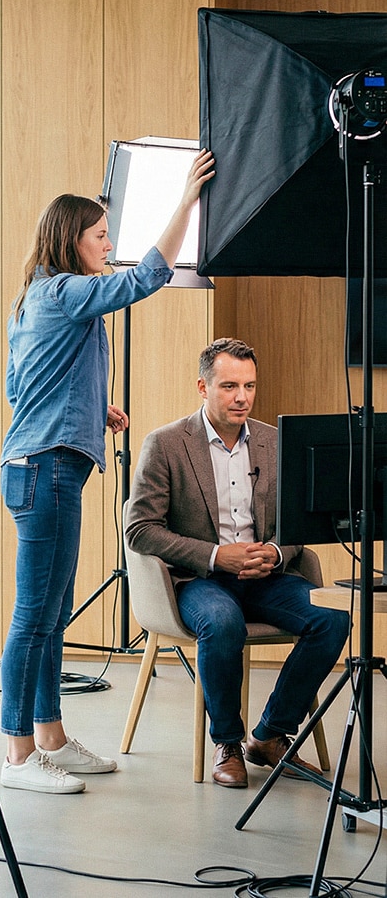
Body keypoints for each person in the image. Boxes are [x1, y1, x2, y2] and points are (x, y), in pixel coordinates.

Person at [0, 150, 215, 794]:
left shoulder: (42, 296)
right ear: (72, 239)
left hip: (43, 465)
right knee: (34, 615)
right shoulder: (65, 292)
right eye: (100, 236)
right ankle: (16, 758)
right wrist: (183, 204)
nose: (109, 244)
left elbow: (23, 386)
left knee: (50, 610)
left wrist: (95, 409)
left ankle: (51, 739)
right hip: (47, 473)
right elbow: (144, 278)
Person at [125, 337, 350, 788]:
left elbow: (297, 526)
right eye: (229, 386)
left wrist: (274, 552)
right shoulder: (166, 444)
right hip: (198, 581)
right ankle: (227, 742)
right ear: (202, 387)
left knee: (333, 617)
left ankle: (269, 735)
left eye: (249, 385)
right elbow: (140, 529)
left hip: (266, 577)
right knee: (222, 621)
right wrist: (215, 556)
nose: (242, 397)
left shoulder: (274, 441)